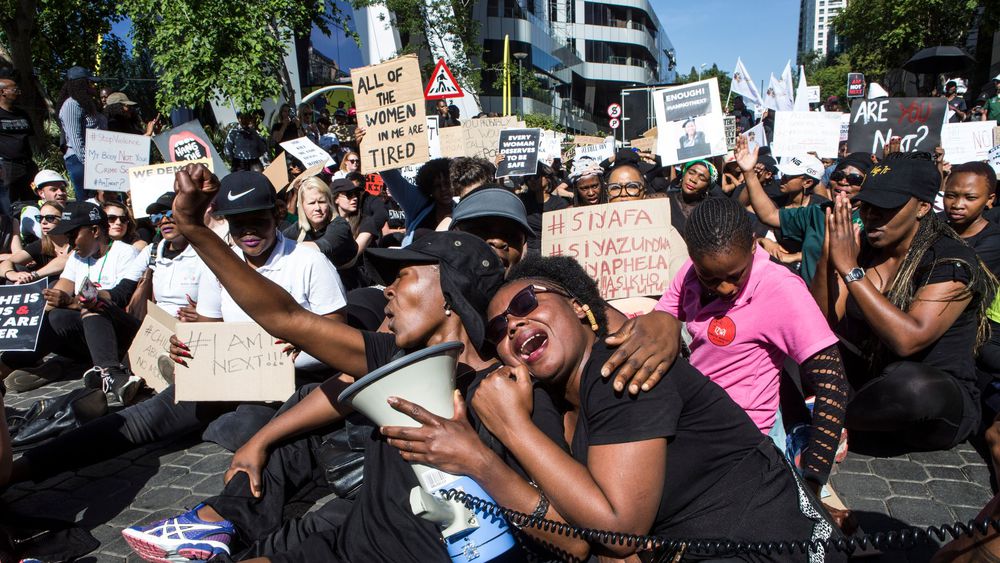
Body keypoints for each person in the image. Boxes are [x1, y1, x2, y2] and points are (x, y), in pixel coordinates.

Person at [122, 177, 679, 562]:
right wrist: (195, 229)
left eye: (405, 275)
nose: (387, 288)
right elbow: (283, 315)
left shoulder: (514, 396)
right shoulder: (395, 356)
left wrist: (480, 458)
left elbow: (572, 538)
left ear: (451, 294)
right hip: (335, 548)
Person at [396, 255, 841, 562]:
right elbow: (575, 540)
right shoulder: (549, 403)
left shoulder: (625, 366)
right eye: (499, 328)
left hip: (772, 543)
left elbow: (618, 529)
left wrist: (489, 450)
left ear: (576, 305)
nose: (513, 324)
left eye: (527, 303)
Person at [2, 171, 347, 489]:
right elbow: (212, 332)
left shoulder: (309, 261)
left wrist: (299, 345)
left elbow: (339, 337)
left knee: (247, 428)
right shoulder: (220, 266)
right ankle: (17, 471)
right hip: (233, 377)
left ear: (276, 215)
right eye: (238, 224)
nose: (248, 232)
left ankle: (218, 426)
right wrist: (188, 346)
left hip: (291, 384)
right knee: (139, 420)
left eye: (257, 220)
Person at [655, 196, 847, 493]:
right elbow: (665, 315)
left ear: (754, 245)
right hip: (695, 422)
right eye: (711, 278)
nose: (725, 288)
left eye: (735, 276)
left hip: (744, 442)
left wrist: (813, 478)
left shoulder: (780, 289)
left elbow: (832, 383)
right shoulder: (692, 273)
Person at [814, 157, 993, 451]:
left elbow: (909, 339)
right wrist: (829, 257)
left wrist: (850, 270)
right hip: (869, 387)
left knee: (910, 385)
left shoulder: (950, 260)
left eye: (886, 209)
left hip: (929, 401)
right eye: (868, 206)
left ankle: (827, 416)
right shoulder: (864, 249)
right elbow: (823, 323)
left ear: (923, 207)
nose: (872, 216)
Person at [0, 202, 142, 401]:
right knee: (53, 316)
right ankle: (9, 365)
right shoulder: (77, 257)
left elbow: (120, 299)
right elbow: (61, 290)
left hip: (121, 333)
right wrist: (31, 311)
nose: (70, 242)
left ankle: (109, 372)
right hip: (89, 333)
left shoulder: (126, 253)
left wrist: (70, 301)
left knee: (88, 307)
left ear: (94, 231)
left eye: (72, 235)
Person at [741, 134, 872, 285]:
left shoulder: (871, 221)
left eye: (854, 179)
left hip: (848, 303)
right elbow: (770, 215)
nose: (843, 181)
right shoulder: (818, 211)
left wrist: (796, 256)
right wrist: (749, 173)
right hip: (810, 300)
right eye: (838, 175)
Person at [281, 176, 357, 270]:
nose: (317, 208)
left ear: (329, 203)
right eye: (311, 203)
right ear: (302, 206)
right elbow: (278, 242)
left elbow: (325, 246)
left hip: (350, 281)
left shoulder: (340, 226)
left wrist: (287, 247)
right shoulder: (297, 229)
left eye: (321, 202)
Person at [450, 187, 533, 270]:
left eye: (511, 235)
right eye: (482, 230)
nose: (498, 242)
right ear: (455, 232)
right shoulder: (438, 280)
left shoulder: (532, 281)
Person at [57, 66, 106, 200]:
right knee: (86, 199)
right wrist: (90, 166)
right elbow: (75, 139)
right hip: (80, 161)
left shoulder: (88, 103)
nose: (93, 85)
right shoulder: (71, 105)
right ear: (80, 84)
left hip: (97, 158)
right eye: (89, 82)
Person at [0, 201, 70, 285]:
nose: (43, 222)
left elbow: (64, 261)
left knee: (55, 282)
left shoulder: (76, 242)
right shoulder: (41, 244)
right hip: (44, 290)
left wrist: (34, 275)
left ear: (64, 220)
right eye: (40, 218)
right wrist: (12, 274)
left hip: (71, 290)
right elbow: (6, 263)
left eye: (50, 218)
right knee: (16, 268)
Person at [0, 76, 35, 211]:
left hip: (27, 165)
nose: (19, 93)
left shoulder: (22, 114)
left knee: (31, 201)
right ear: (3, 92)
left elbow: (29, 137)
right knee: (8, 204)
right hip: (7, 166)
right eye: (15, 90)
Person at [15, 169, 71, 254]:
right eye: (54, 189)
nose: (60, 193)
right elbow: (48, 235)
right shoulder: (31, 211)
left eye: (63, 189)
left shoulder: (71, 208)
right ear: (41, 193)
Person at [520, 162, 569, 254]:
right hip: (528, 251)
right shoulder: (523, 201)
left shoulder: (559, 204)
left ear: (547, 178)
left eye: (535, 177)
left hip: (551, 251)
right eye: (528, 178)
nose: (532, 180)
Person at [668, 159, 715, 232]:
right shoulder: (665, 200)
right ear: (684, 174)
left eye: (702, 178)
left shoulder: (711, 209)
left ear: (707, 187)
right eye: (691, 173)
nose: (693, 179)